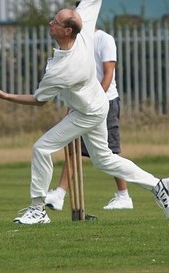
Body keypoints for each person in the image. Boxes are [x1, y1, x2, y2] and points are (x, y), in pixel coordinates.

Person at [0, 0, 169, 224]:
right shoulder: (83, 25)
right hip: (96, 105)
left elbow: (39, 101)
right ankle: (160, 186)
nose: (50, 22)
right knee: (104, 161)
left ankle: (38, 210)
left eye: (55, 21)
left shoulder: (62, 68)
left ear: (67, 31)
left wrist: (4, 95)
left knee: (41, 148)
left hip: (87, 113)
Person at [45, 28, 133, 211]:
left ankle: (124, 196)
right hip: (83, 105)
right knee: (73, 147)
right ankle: (59, 194)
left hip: (105, 102)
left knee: (110, 152)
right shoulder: (76, 43)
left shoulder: (104, 39)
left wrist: (96, 100)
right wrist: (73, 104)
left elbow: (108, 72)